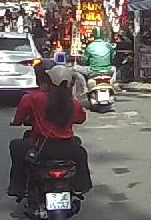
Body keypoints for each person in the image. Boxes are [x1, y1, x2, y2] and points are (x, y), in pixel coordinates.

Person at [7, 64, 92, 197]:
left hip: (42, 148)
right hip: (67, 148)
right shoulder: (72, 103)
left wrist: (15, 122)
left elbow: (18, 120)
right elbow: (81, 118)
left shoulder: (33, 98)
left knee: (16, 146)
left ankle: (18, 186)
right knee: (79, 148)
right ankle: (81, 186)